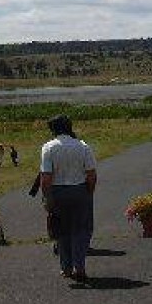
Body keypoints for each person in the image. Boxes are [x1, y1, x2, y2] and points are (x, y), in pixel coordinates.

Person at [40, 115, 97, 280]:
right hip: (80, 190)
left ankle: (66, 267)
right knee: (81, 230)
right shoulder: (83, 146)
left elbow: (46, 177)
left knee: (62, 231)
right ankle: (80, 267)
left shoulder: (48, 148)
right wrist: (88, 192)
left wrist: (47, 198)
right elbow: (91, 174)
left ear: (54, 130)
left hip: (58, 192)